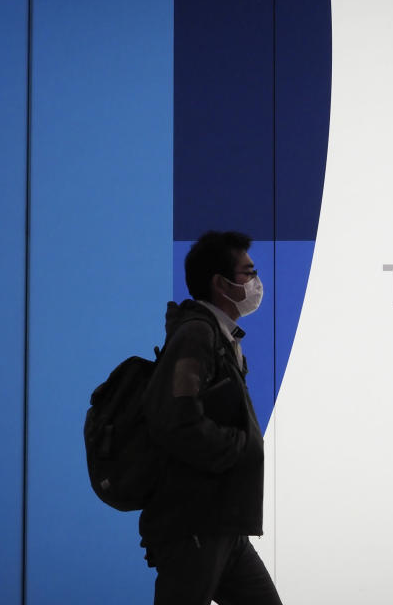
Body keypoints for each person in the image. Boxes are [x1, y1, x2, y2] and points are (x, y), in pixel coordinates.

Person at [139, 230, 282, 605]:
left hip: (223, 524)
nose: (256, 282)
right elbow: (176, 422)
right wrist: (240, 446)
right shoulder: (196, 336)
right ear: (220, 283)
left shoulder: (221, 336)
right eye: (248, 273)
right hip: (194, 527)